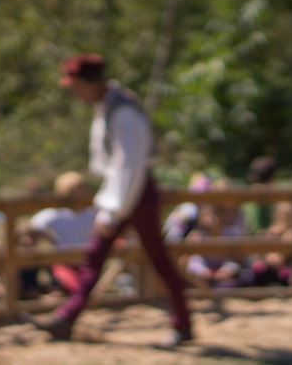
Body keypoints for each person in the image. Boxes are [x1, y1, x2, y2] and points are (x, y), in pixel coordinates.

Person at [30, 53, 192, 346]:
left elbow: (128, 167)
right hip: (122, 192)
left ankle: (182, 322)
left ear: (89, 83)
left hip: (133, 194)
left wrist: (113, 212)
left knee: (157, 261)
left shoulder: (123, 113)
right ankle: (66, 318)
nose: (75, 94)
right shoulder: (107, 107)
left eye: (76, 86)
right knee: (96, 257)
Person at [22, 171, 97, 294]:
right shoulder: (54, 213)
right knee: (77, 288)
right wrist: (47, 237)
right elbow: (30, 228)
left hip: (88, 262)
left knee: (88, 287)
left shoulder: (91, 212)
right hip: (64, 263)